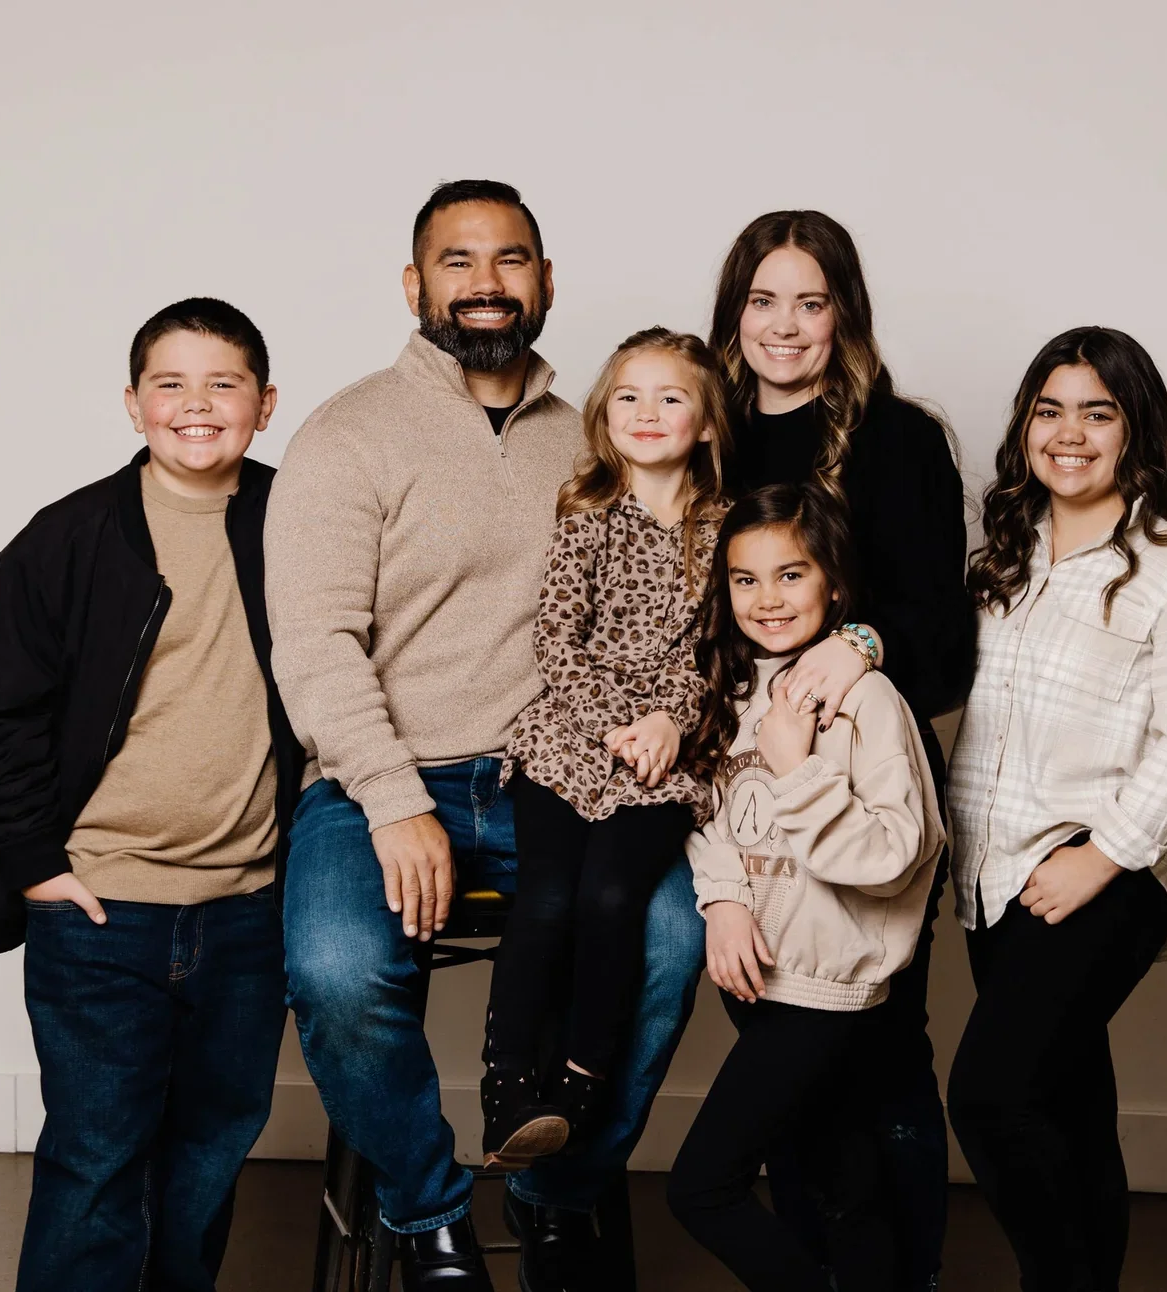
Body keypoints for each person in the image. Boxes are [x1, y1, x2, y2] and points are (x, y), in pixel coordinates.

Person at [264, 181, 707, 1292]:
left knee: (666, 939)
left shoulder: (608, 440)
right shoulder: (348, 431)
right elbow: (314, 643)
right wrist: (391, 795)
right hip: (382, 777)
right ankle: (427, 1210)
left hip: (562, 777)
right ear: (416, 286)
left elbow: (734, 575)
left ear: (546, 282)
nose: (486, 283)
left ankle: (554, 1191)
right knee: (332, 964)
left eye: (510, 260)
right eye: (458, 262)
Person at [0, 298, 303, 1291]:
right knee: (98, 1159)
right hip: (103, 906)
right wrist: (36, 866)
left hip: (250, 908)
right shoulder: (65, 540)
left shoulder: (303, 521)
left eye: (224, 382)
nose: (198, 405)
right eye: (171, 383)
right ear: (133, 402)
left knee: (206, 1155)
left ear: (265, 402)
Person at [945, 326, 1167, 1292]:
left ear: (1136, 430)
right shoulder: (1004, 549)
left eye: (1097, 411)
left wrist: (1103, 857)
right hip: (993, 872)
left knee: (992, 1098)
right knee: (1068, 1106)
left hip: (1100, 869)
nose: (1068, 433)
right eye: (1049, 410)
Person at [709, 209, 974, 1287]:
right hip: (742, 813)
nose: (785, 325)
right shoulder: (700, 433)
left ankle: (899, 1274)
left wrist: (857, 645)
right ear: (733, 314)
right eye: (762, 300)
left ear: (844, 314)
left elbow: (948, 641)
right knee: (786, 1080)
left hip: (866, 802)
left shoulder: (900, 438)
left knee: (879, 1064)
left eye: (810, 301)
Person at [665, 482, 946, 1292]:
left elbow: (895, 854)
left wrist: (795, 770)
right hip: (758, 974)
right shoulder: (733, 684)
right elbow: (706, 814)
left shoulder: (867, 699)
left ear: (835, 583)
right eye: (745, 580)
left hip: (823, 989)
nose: (768, 599)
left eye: (792, 575)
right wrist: (720, 899)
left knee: (701, 1188)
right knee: (841, 1179)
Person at [482, 327, 730, 1170]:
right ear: (602, 415)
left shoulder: (722, 528)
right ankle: (508, 1084)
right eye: (628, 396)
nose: (647, 412)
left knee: (614, 898)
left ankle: (582, 1081)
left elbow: (713, 650)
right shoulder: (586, 507)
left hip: (666, 751)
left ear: (705, 424)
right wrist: (608, 725)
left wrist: (666, 722)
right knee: (549, 897)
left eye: (672, 398)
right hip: (569, 739)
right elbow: (557, 637)